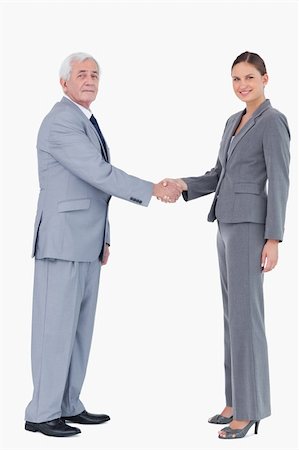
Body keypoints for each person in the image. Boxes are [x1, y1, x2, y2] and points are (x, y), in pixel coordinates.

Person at [25, 52, 182, 438]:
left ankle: (67, 404)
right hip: (62, 242)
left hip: (87, 241)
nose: (90, 79)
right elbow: (99, 174)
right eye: (81, 74)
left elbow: (93, 190)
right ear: (64, 83)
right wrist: (151, 189)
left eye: (95, 74)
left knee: (78, 331)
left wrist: (104, 237)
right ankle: (41, 413)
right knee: (53, 330)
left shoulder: (86, 121)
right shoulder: (61, 122)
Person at [164, 51, 290, 439]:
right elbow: (218, 174)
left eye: (250, 78)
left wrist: (274, 238)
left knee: (247, 318)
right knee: (232, 317)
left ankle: (250, 410)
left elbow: (281, 182)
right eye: (236, 79)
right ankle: (235, 399)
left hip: (252, 227)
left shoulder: (273, 121)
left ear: (265, 79)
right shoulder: (232, 121)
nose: (242, 85)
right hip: (225, 224)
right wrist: (184, 184)